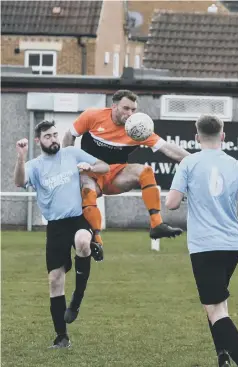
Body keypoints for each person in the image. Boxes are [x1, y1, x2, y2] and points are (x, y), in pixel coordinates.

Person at [165, 114, 238, 367]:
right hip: (231, 245)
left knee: (215, 309)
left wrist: (189, 192)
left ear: (197, 137)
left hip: (204, 246)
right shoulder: (237, 165)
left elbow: (172, 203)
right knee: (218, 302)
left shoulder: (188, 164)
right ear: (223, 136)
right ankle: (222, 357)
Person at [14, 120, 109, 348]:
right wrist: (20, 156)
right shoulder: (35, 165)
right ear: (39, 141)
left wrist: (90, 168)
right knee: (55, 280)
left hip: (77, 218)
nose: (54, 139)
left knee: (82, 240)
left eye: (55, 134)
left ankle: (76, 300)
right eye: (48, 136)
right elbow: (19, 181)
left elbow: (104, 166)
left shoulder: (72, 153)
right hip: (55, 226)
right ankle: (62, 337)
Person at [62, 89, 190, 248]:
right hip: (91, 172)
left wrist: (195, 160)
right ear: (114, 106)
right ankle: (97, 240)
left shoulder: (137, 128)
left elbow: (167, 148)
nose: (130, 113)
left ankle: (156, 225)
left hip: (116, 175)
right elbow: (70, 135)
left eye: (133, 109)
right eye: (126, 108)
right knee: (88, 190)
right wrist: (67, 166)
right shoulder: (92, 116)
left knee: (146, 172)